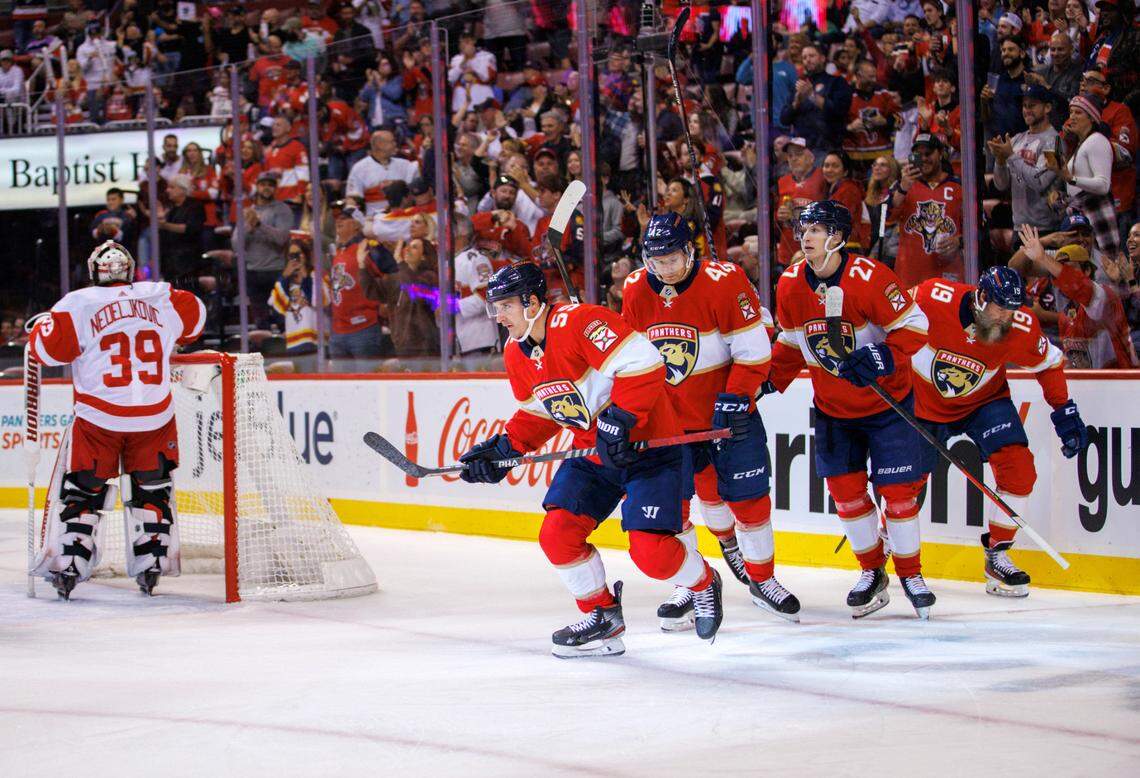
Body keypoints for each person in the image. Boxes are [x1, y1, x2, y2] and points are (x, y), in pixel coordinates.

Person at [459, 262, 724, 656]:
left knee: (651, 553)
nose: (498, 317)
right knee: (557, 535)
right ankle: (603, 616)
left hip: (650, 450)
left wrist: (620, 418)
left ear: (532, 302)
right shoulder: (517, 352)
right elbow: (541, 412)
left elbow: (646, 363)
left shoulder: (582, 321)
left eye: (505, 306)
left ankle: (704, 584)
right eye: (495, 307)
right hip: (594, 455)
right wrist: (504, 450)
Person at [621, 213, 802, 627]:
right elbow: (630, 358)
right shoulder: (634, 288)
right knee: (674, 507)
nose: (664, 269)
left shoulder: (725, 280)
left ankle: (763, 580)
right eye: (655, 260)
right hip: (670, 425)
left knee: (750, 500)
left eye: (671, 259)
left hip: (728, 418)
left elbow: (754, 350)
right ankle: (690, 583)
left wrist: (736, 397)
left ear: (690, 251)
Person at [768, 201, 934, 619]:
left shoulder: (871, 277)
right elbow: (791, 343)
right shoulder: (789, 283)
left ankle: (911, 574)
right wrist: (765, 382)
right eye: (803, 228)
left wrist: (881, 358)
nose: (805, 237)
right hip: (833, 409)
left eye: (817, 229)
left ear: (839, 237)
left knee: (897, 497)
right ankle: (873, 571)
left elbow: (915, 327)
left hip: (888, 405)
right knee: (846, 496)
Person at [27, 241, 206, 599]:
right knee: (152, 487)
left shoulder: (77, 303)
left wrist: (41, 325)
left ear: (93, 272)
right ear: (130, 269)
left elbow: (45, 350)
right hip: (155, 413)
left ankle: (72, 558)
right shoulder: (161, 295)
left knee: (85, 487)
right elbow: (197, 318)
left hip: (100, 416)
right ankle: (153, 555)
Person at [911, 267, 1088, 597]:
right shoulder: (932, 297)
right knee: (905, 482)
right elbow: (889, 320)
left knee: (1019, 471)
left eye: (1013, 309)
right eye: (1000, 308)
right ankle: (887, 546)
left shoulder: (1019, 327)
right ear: (980, 298)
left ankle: (998, 553)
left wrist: (1064, 411)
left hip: (984, 402)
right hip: (923, 401)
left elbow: (1048, 363)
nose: (1007, 317)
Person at [1017, 223, 1139, 367]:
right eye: (1060, 267)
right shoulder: (1066, 315)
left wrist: (1043, 258)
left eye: (1070, 268)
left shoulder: (1104, 296)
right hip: (1089, 385)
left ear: (1087, 270)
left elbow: (1079, 285)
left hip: (1121, 383)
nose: (1062, 276)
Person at [892, 132, 963, 287]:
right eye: (918, 155)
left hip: (948, 277)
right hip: (909, 278)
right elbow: (886, 216)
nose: (923, 159)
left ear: (941, 154)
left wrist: (960, 241)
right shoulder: (903, 187)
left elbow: (978, 229)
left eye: (928, 153)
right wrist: (903, 188)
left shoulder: (959, 188)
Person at [989, 83, 1062, 235]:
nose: (1027, 110)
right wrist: (1000, 161)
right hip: (1019, 226)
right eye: (1025, 106)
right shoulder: (1016, 140)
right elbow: (1001, 185)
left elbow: (1040, 183)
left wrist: (1011, 156)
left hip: (1045, 229)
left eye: (1032, 105)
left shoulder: (1054, 142)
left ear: (1047, 108)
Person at [327, 201, 387, 363]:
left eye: (345, 218)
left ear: (356, 225)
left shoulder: (368, 248)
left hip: (364, 327)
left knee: (368, 385)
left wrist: (384, 305)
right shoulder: (339, 251)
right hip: (338, 330)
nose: (339, 220)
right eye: (338, 217)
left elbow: (387, 278)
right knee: (339, 388)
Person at [346, 128, 420, 216]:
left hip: (405, 216)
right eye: (392, 142)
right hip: (374, 219)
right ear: (379, 144)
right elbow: (353, 198)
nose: (395, 145)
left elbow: (416, 193)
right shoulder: (360, 168)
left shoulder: (405, 164)